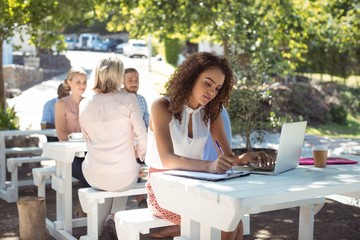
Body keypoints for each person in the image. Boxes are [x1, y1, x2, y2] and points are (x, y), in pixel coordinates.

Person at [145, 52, 273, 240]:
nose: (212, 92)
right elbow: (167, 159)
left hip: (195, 186)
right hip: (162, 188)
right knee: (224, 222)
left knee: (233, 221)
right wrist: (209, 166)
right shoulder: (162, 106)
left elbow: (228, 158)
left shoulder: (212, 113)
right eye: (207, 82)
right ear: (191, 77)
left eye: (218, 87)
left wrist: (242, 159)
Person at [79, 55, 147, 237]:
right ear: (119, 75)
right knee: (124, 175)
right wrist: (138, 156)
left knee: (110, 181)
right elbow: (143, 137)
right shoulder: (128, 99)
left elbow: (87, 139)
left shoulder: (84, 103)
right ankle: (112, 219)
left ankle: (104, 226)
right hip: (123, 175)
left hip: (93, 173)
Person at [55, 67, 89, 187]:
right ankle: (86, 204)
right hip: (68, 154)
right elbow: (61, 133)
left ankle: (85, 204)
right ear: (69, 82)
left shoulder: (90, 102)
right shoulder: (61, 104)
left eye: (85, 82)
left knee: (98, 173)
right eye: (78, 82)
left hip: (88, 151)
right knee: (90, 177)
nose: (82, 85)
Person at [123, 67, 149, 209]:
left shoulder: (142, 100)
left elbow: (147, 124)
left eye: (136, 80)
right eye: (130, 80)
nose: (134, 83)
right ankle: (140, 200)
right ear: (123, 81)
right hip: (123, 144)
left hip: (139, 143)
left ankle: (142, 199)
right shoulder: (119, 99)